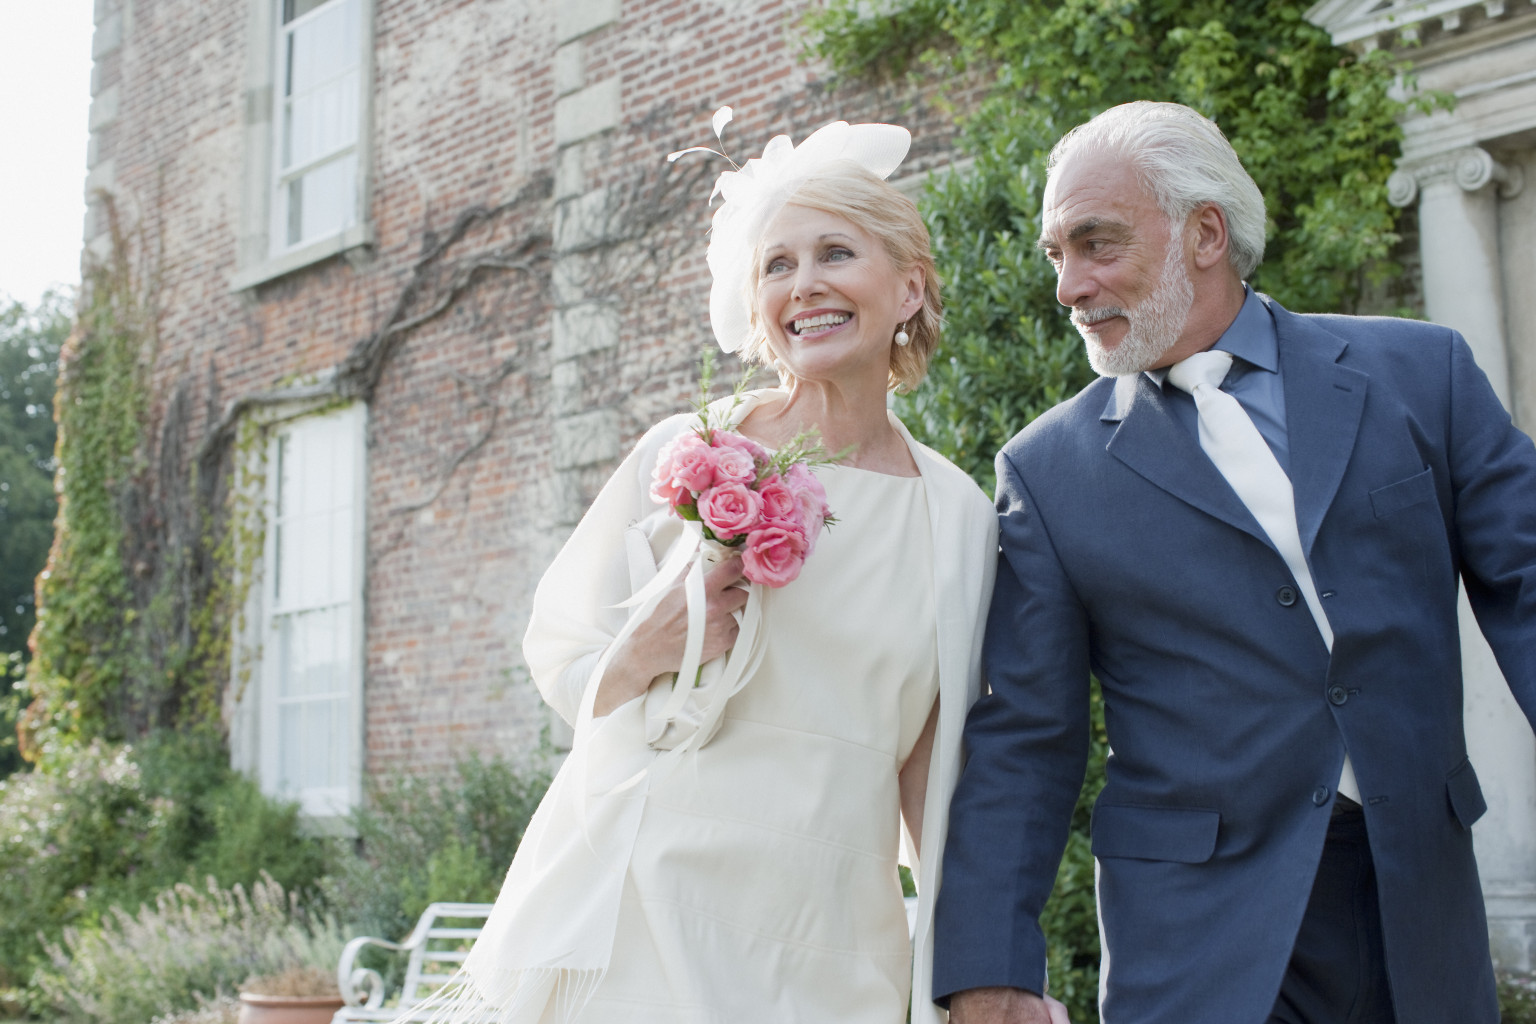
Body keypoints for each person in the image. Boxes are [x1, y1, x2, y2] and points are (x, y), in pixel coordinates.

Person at [931, 100, 1536, 1024]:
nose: (1068, 285)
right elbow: (1024, 734)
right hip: (1197, 939)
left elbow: (1529, 587)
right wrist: (990, 966)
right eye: (1057, 254)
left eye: (1097, 243)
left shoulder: (1423, 374)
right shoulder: (1047, 472)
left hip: (1420, 896)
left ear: (1205, 232)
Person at [423, 116, 1005, 1024]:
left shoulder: (958, 514)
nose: (803, 285)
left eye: (835, 253)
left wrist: (972, 967)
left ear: (909, 289)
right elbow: (571, 662)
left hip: (830, 933)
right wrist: (642, 647)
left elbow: (933, 770)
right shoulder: (689, 452)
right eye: (777, 265)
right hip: (646, 901)